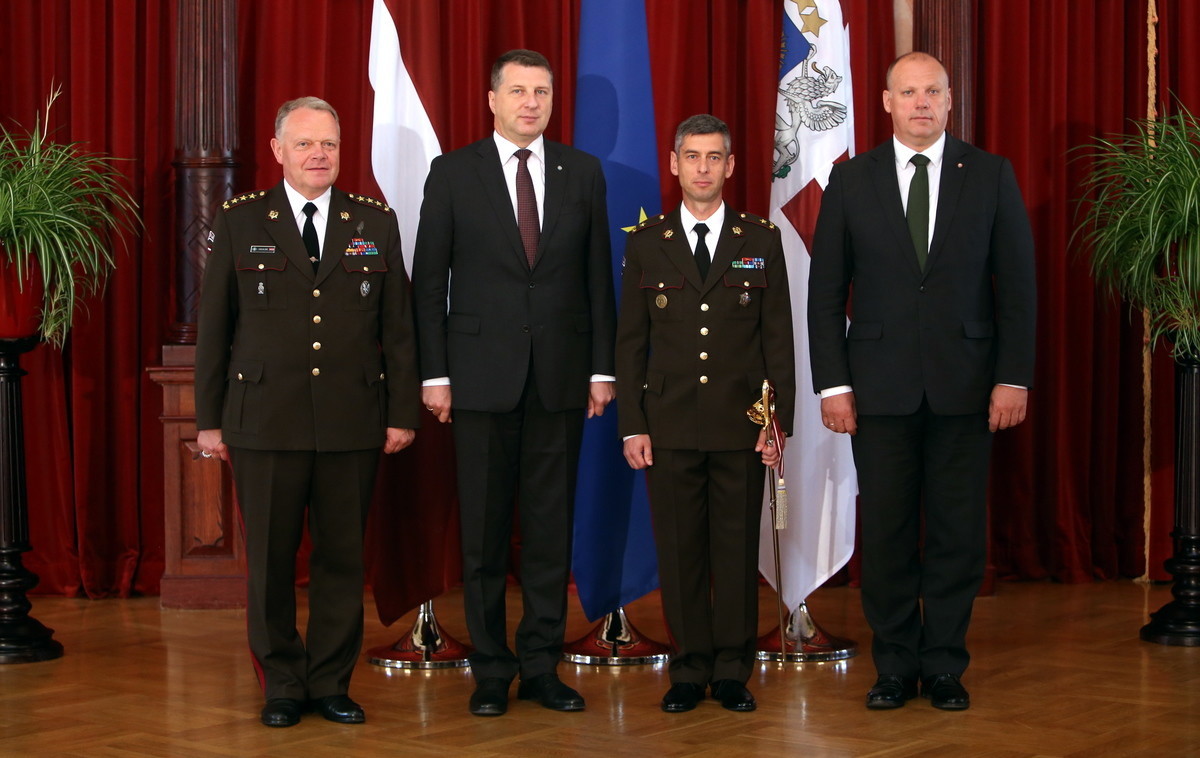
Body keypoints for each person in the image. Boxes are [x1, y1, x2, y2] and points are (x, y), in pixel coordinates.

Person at [808, 52, 1036, 711]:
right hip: (877, 392)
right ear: (886, 101)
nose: (921, 103)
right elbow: (826, 294)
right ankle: (894, 665)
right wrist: (832, 385)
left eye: (932, 91)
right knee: (886, 535)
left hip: (968, 389)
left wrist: (1013, 378)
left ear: (949, 99)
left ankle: (943, 666)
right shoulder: (851, 180)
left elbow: (1017, 288)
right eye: (908, 92)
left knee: (957, 535)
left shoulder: (990, 174)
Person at [194, 97, 420, 728]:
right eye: (305, 144)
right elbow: (215, 329)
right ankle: (282, 684)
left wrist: (401, 412)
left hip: (352, 417)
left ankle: (330, 683)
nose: (319, 155)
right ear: (278, 151)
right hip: (265, 419)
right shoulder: (241, 220)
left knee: (342, 560)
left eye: (329, 144)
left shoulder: (373, 221)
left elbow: (398, 329)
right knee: (270, 563)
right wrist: (210, 420)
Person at [411, 49, 615, 717]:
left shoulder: (582, 172)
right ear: (492, 100)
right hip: (477, 381)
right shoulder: (452, 173)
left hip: (561, 379)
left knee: (551, 533)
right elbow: (429, 283)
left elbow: (597, 280)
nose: (531, 102)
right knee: (484, 535)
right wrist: (435, 374)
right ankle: (492, 671)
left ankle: (541, 666)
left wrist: (601, 368)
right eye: (519, 91)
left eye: (542, 92)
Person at [616, 114, 795, 714]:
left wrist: (777, 423)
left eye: (713, 157)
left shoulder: (759, 239)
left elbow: (778, 339)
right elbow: (630, 342)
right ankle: (690, 669)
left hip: (740, 422)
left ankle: (732, 670)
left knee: (736, 551)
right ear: (674, 164)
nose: (702, 168)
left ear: (730, 166)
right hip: (668, 422)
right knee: (681, 551)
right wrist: (633, 423)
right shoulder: (647, 242)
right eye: (691, 156)